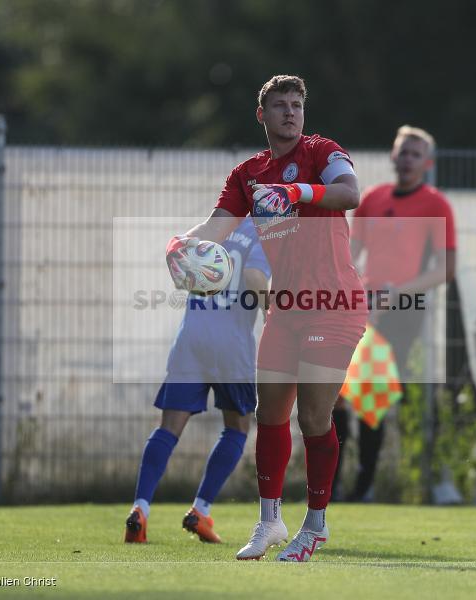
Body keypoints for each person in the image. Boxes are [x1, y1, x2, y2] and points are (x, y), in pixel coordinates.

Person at [164, 75, 366, 562]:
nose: (291, 113)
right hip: (286, 307)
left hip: (334, 304)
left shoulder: (322, 151)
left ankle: (315, 526)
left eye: (297, 105)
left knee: (313, 417)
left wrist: (300, 193)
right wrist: (180, 245)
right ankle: (270, 521)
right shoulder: (247, 174)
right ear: (262, 115)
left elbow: (350, 192)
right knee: (269, 415)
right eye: (280, 106)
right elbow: (216, 228)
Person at [125, 217, 271, 544]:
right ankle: (200, 510)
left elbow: (175, 249)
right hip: (231, 345)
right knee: (237, 428)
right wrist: (271, 308)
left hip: (191, 336)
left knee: (168, 428)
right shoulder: (265, 231)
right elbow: (253, 275)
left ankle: (140, 509)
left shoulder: (217, 224)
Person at [334, 125, 457, 502]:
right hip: (363, 305)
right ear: (392, 156)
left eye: (415, 154)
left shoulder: (436, 205)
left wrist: (398, 292)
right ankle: (331, 482)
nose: (407, 160)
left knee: (371, 394)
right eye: (402, 152)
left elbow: (446, 268)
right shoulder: (372, 198)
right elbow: (350, 254)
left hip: (404, 310)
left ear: (427, 163)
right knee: (335, 394)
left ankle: (363, 486)